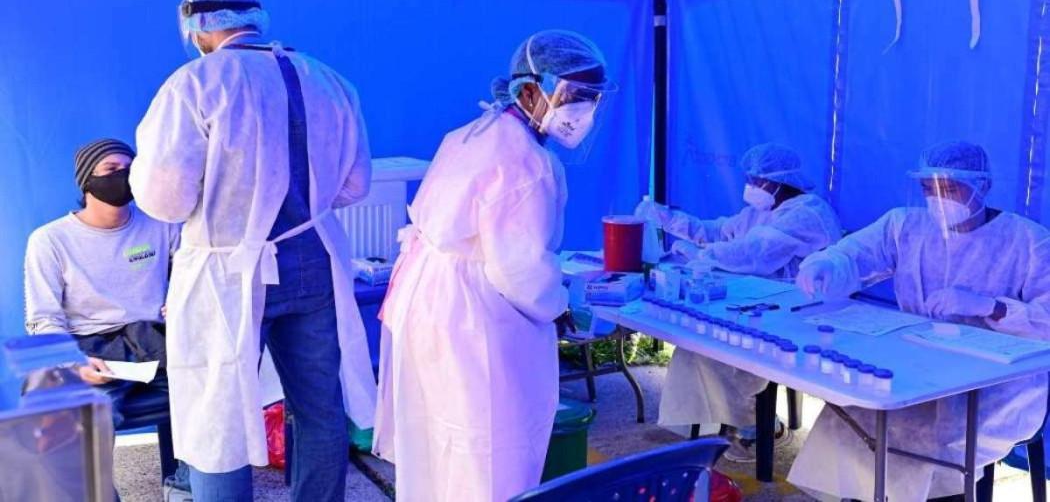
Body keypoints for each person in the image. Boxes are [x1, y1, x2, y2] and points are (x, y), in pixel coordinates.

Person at [130, 0, 375, 501]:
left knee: (215, 412)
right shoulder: (330, 81)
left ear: (197, 28)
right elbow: (355, 186)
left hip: (228, 274)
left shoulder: (196, 84)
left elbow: (164, 198)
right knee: (319, 407)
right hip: (314, 264)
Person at [372, 30, 615, 502]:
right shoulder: (527, 162)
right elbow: (520, 271)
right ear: (530, 90)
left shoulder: (474, 133)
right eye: (574, 96)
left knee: (435, 445)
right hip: (474, 314)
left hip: (429, 302)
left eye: (592, 98)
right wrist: (560, 304)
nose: (582, 111)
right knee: (490, 447)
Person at [790, 141, 1050, 501]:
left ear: (982, 186)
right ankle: (859, 494)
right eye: (929, 189)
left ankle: (937, 494)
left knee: (938, 438)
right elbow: (855, 253)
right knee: (859, 413)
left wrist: (993, 308)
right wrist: (826, 263)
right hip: (917, 360)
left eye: (950, 189)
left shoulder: (1028, 241)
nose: (937, 199)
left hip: (996, 379)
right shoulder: (906, 225)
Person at [636, 143, 842, 461]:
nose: (751, 186)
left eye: (758, 180)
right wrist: (670, 220)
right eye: (750, 179)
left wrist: (702, 255)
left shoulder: (807, 214)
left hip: (801, 311)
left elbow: (754, 252)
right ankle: (715, 424)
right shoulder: (758, 213)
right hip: (760, 302)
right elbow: (720, 232)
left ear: (780, 181)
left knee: (726, 348)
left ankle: (758, 426)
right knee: (695, 345)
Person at [23, 138, 186, 497]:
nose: (123, 177)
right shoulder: (49, 241)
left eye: (130, 169)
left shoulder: (163, 226)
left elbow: (191, 278)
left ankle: (184, 488)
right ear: (87, 181)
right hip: (90, 349)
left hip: (155, 342)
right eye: (112, 170)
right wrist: (73, 363)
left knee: (208, 395)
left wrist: (179, 300)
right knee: (85, 422)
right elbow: (43, 319)